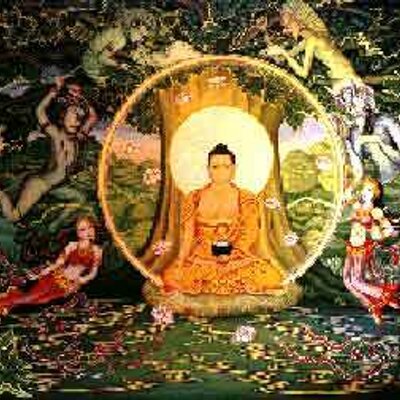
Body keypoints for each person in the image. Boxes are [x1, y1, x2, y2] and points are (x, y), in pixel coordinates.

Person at [161, 143, 287, 295]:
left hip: (236, 256)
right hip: (204, 256)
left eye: (226, 167)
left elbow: (250, 232)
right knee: (172, 277)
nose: (220, 171)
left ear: (233, 170)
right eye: (215, 167)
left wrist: (232, 253)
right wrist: (181, 260)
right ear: (208, 170)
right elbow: (188, 235)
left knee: (270, 277)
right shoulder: (194, 198)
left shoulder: (245, 198)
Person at [0, 77, 97, 222]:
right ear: (62, 118)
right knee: (14, 216)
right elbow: (40, 111)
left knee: (80, 200)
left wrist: (80, 97)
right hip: (41, 184)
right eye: (72, 118)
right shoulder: (56, 135)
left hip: (56, 185)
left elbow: (93, 117)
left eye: (78, 119)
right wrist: (52, 94)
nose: (76, 122)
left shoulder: (78, 137)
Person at [0, 216, 102, 317]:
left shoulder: (97, 250)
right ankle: (3, 303)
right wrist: (44, 272)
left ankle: (7, 303)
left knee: (40, 300)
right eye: (83, 229)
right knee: (31, 297)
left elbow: (93, 272)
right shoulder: (72, 246)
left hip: (67, 286)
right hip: (55, 278)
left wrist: (81, 280)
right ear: (78, 232)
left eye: (90, 227)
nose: (88, 232)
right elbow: (58, 263)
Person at [343, 177, 399, 325]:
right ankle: (374, 307)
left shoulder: (375, 211)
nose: (364, 192)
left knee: (357, 281)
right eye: (363, 189)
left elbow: (388, 229)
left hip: (363, 247)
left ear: (375, 193)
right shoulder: (357, 205)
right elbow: (346, 199)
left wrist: (380, 231)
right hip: (352, 246)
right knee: (348, 282)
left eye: (368, 190)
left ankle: (390, 299)